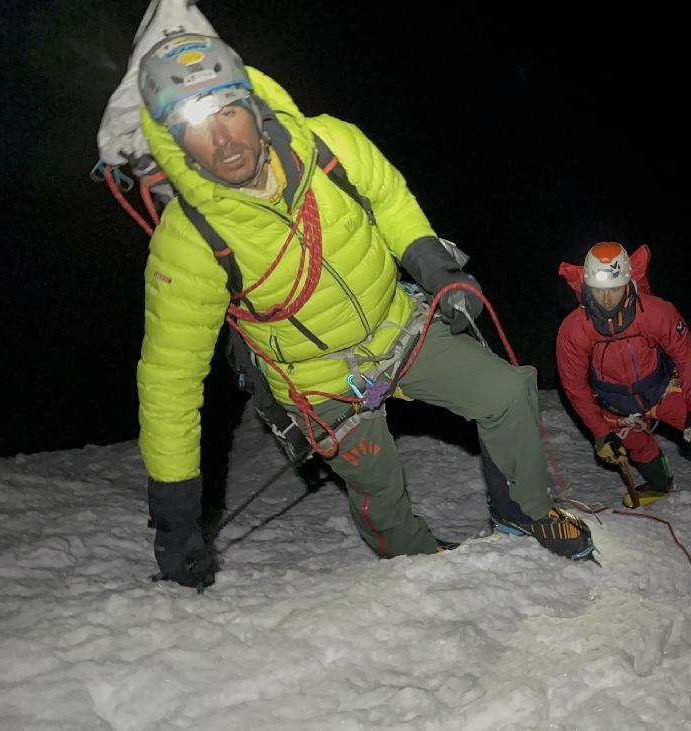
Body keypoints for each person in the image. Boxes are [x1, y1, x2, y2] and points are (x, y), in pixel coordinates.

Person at [135, 32, 594, 589]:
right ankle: (420, 562)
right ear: (177, 141)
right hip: (318, 381)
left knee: (506, 391)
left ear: (254, 105)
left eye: (229, 112)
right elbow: (170, 383)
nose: (223, 141)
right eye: (196, 127)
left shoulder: (330, 145)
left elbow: (390, 200)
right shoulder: (188, 243)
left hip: (397, 326)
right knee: (378, 482)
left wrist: (437, 270)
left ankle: (524, 516)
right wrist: (176, 517)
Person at [555, 243, 691, 517]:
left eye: (615, 288)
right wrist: (600, 434)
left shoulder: (658, 312)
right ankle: (660, 485)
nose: (607, 299)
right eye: (599, 291)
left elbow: (687, 356)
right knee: (635, 444)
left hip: (661, 389)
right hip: (614, 403)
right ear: (587, 288)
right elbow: (574, 386)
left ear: (628, 283)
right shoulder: (573, 329)